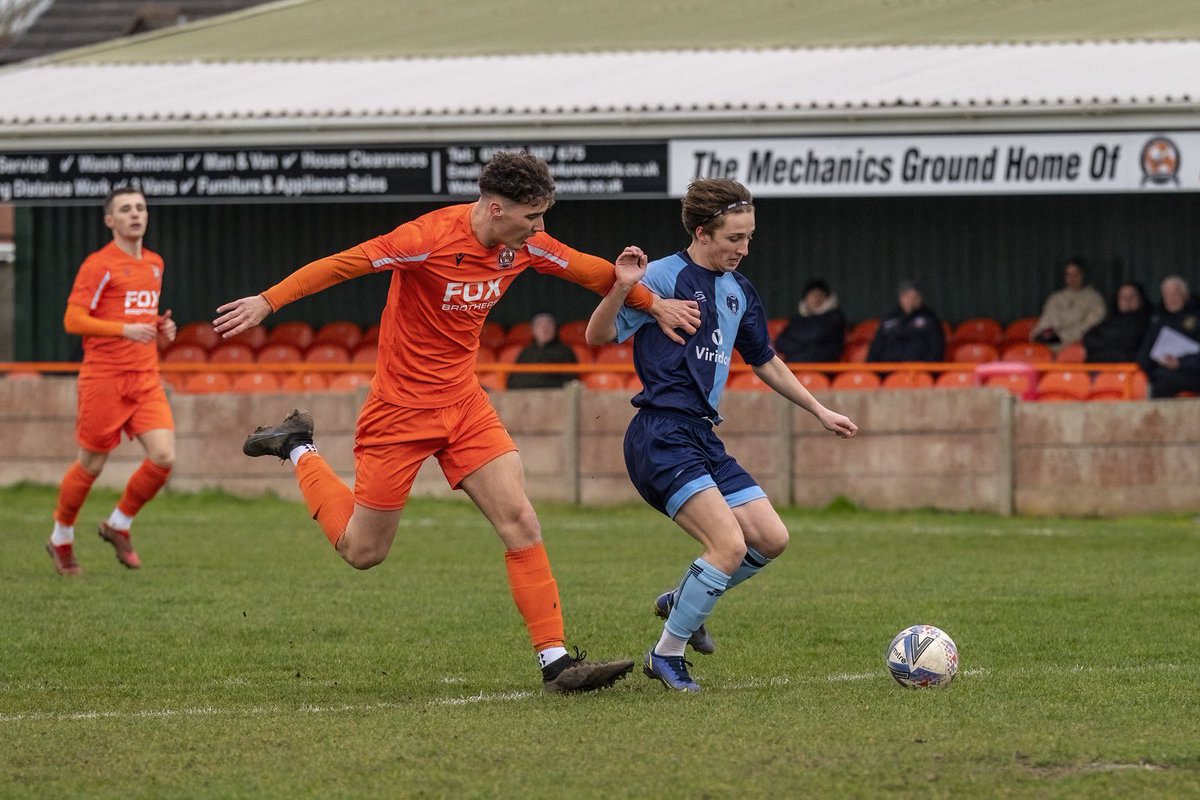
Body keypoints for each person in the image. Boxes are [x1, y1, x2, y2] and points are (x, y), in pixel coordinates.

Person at [213, 152, 701, 693]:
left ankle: (557, 662)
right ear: (496, 208)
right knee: (363, 551)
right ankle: (298, 447)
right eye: (531, 218)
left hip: (465, 404)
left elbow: (591, 270)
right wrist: (267, 300)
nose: (541, 229)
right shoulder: (425, 237)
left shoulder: (525, 246)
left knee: (521, 520)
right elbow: (341, 264)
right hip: (398, 411)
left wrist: (653, 303)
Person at [584, 178, 858, 692]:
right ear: (703, 232)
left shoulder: (739, 292)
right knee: (728, 545)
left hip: (703, 437)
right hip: (660, 434)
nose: (744, 249)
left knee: (771, 538)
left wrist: (819, 410)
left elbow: (765, 361)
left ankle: (682, 599)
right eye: (735, 238)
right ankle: (667, 654)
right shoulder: (660, 277)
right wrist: (624, 286)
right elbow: (596, 337)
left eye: (749, 237)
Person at [46, 186, 177, 576]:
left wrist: (160, 326)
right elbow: (73, 319)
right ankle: (60, 537)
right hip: (104, 378)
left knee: (165, 456)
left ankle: (118, 525)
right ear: (110, 220)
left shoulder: (155, 263)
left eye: (140, 207)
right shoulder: (98, 265)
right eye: (125, 209)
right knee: (91, 463)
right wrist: (125, 330)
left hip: (145, 377)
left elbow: (141, 316)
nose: (135, 214)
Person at [1136, 275, 1200, 398]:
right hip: (1162, 375)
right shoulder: (1158, 321)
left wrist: (1180, 363)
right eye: (1166, 295)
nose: (1171, 299)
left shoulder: (1197, 317)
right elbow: (1143, 356)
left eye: (1175, 294)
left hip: (1193, 374)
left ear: (1185, 295)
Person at [1030, 259, 1106, 348]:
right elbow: (1046, 321)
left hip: (1076, 347)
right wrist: (1040, 334)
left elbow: (1090, 327)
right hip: (1048, 346)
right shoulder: (1055, 298)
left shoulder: (1094, 299)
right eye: (1068, 275)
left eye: (1076, 275)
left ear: (1083, 275)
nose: (1072, 279)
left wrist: (1062, 337)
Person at [866, 280, 945, 363]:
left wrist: (927, 371)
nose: (910, 300)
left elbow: (936, 348)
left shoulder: (930, 318)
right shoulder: (889, 319)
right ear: (901, 298)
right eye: (906, 296)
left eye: (914, 297)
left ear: (920, 298)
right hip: (888, 371)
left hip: (918, 371)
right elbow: (876, 348)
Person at [772, 278, 846, 363]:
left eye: (820, 295)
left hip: (822, 369)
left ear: (827, 299)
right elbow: (781, 342)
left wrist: (790, 353)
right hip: (794, 366)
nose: (816, 299)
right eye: (812, 295)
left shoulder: (835, 318)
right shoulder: (797, 320)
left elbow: (815, 337)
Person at [506, 311, 579, 390]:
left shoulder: (565, 352)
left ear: (555, 329)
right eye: (540, 325)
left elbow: (570, 381)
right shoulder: (525, 353)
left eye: (549, 324)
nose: (545, 329)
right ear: (533, 330)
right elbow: (513, 381)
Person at [1082, 281, 1151, 363]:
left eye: (1132, 296)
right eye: (1123, 297)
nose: (1127, 300)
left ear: (1141, 299)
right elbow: (1089, 339)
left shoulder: (1149, 322)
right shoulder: (1109, 321)